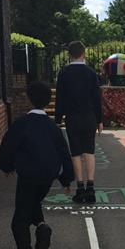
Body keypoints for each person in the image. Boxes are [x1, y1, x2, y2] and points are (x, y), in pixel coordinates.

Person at [0, 82, 74, 249]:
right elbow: (63, 151)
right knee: (33, 202)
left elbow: (7, 146)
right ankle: (41, 226)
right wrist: (66, 178)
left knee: (20, 218)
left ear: (28, 100)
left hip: (29, 174)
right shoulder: (52, 127)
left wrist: (6, 166)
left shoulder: (21, 124)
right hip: (47, 176)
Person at [54, 41, 103, 204]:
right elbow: (97, 98)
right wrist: (100, 119)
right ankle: (91, 188)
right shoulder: (91, 73)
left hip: (72, 117)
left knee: (75, 151)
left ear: (69, 54)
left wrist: (58, 119)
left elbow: (60, 99)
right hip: (89, 116)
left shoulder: (63, 73)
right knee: (89, 150)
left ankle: (80, 187)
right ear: (83, 53)